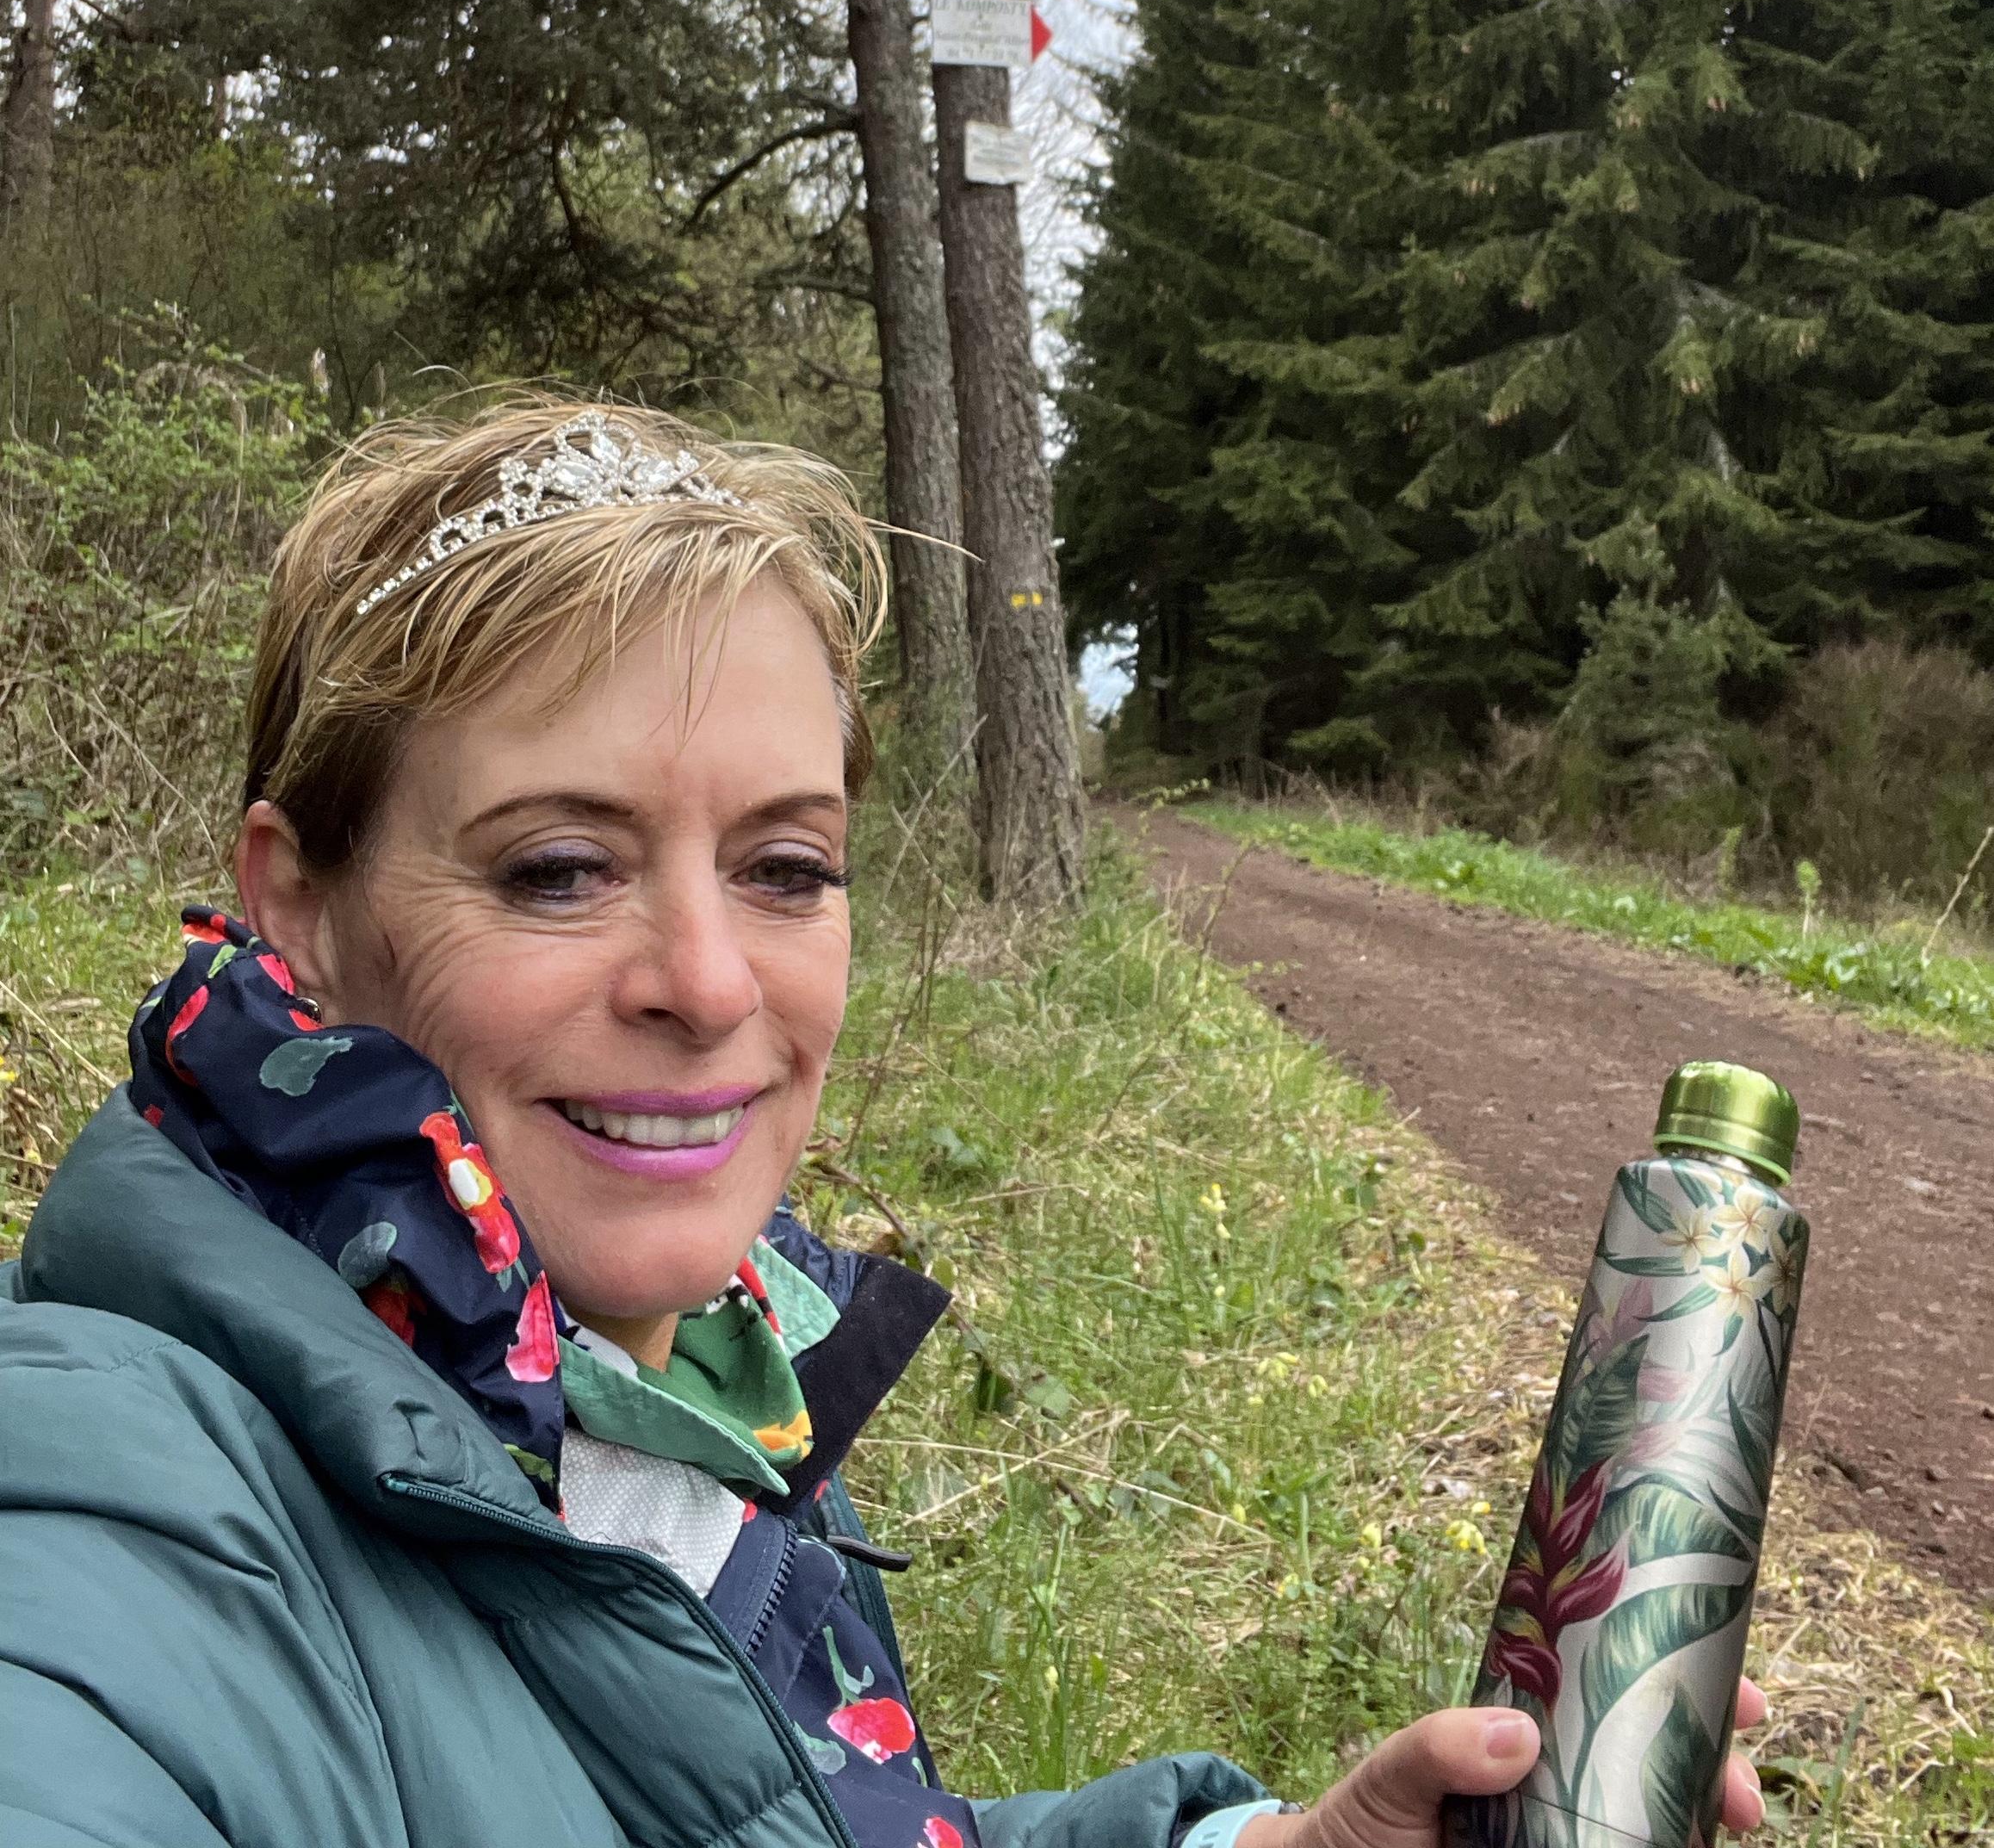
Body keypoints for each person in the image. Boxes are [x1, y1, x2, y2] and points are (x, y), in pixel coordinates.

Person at [0, 399, 1769, 1848]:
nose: (710, 982)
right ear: (297, 906)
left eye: (785, 866)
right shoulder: (112, 1504)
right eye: (558, 868)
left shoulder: (686, 1375)